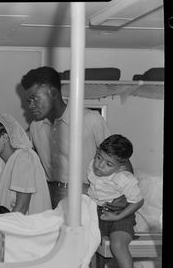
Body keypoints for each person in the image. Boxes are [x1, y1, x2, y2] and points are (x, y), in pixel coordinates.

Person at [20, 66, 132, 209]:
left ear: (53, 93)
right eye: (28, 101)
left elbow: (122, 160)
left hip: (87, 197)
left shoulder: (91, 120)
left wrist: (125, 197)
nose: (30, 106)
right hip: (49, 197)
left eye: (34, 99)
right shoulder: (35, 126)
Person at [87, 134, 144, 268]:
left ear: (121, 167)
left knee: (118, 245)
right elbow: (90, 190)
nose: (99, 165)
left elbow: (138, 201)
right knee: (87, 242)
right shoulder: (91, 167)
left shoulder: (125, 178)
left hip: (121, 214)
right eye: (99, 157)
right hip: (97, 212)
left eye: (108, 164)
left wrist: (117, 217)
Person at [0, 113, 52, 214]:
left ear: (4, 137)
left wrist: (1, 226)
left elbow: (21, 209)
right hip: (9, 219)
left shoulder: (24, 158)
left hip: (28, 223)